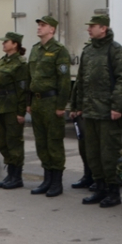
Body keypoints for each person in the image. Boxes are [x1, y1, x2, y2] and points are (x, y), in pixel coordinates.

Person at [68, 15, 122, 208]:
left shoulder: (116, 51)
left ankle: (113, 191)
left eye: (93, 26)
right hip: (89, 111)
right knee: (93, 152)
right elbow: (80, 81)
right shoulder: (88, 51)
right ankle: (100, 187)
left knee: (109, 153)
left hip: (106, 112)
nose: (89, 29)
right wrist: (76, 106)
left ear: (103, 28)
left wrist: (116, 106)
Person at [25, 16, 72, 197]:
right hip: (37, 103)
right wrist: (29, 102)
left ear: (51, 29)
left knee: (54, 142)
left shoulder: (59, 51)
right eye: (38, 24)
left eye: (42, 25)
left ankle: (56, 182)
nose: (39, 27)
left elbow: (64, 81)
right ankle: (47, 179)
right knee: (41, 142)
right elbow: (30, 78)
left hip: (52, 102)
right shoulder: (35, 50)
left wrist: (61, 105)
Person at [0, 33, 29, 189]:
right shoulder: (3, 61)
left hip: (12, 106)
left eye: (6, 42)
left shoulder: (20, 64)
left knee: (14, 141)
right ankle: (10, 173)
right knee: (2, 141)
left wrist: (21, 112)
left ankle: (16, 176)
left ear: (15, 44)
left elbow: (23, 90)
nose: (3, 44)